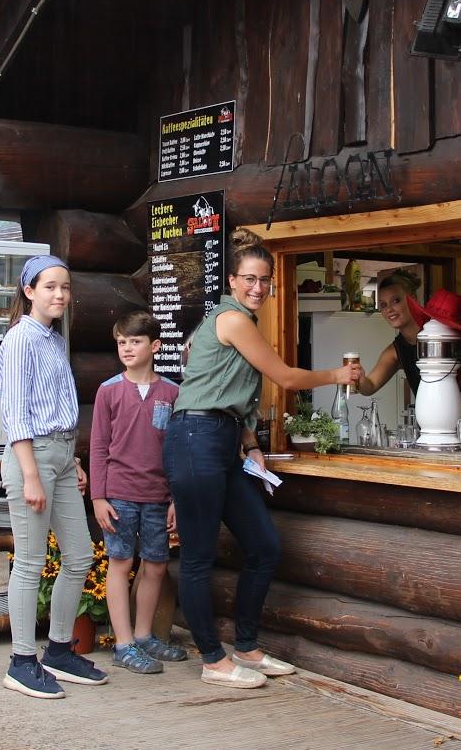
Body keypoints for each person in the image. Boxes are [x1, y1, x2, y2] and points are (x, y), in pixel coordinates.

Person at [163, 243, 362, 689]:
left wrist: (249, 442)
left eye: (265, 280)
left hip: (221, 439)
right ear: (231, 281)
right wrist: (337, 376)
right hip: (196, 439)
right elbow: (286, 377)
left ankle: (247, 648)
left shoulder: (235, 321)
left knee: (264, 546)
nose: (258, 287)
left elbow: (224, 389)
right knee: (197, 557)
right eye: (249, 278)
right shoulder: (232, 319)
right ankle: (212, 660)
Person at [0, 254, 105, 698]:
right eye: (49, 287)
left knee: (79, 555)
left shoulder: (54, 341)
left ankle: (58, 650)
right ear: (29, 292)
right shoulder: (20, 340)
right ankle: (22, 661)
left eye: (65, 287)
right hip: (32, 458)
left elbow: (59, 407)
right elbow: (14, 413)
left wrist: (73, 460)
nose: (59, 294)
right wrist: (31, 475)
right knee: (30, 562)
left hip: (59, 455)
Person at [90, 310, 188, 674]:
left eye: (135, 341)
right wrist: (98, 497)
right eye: (121, 342)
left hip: (159, 495)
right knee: (120, 562)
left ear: (155, 346)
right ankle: (124, 643)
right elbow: (98, 447)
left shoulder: (173, 393)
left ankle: (145, 636)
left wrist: (176, 498)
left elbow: (178, 450)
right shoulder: (109, 391)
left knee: (157, 564)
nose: (127, 348)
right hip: (118, 493)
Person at [355, 270, 422, 398]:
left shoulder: (439, 334)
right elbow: (370, 386)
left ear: (412, 299)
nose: (389, 309)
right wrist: (360, 379)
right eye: (383, 305)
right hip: (428, 417)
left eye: (396, 300)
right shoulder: (395, 351)